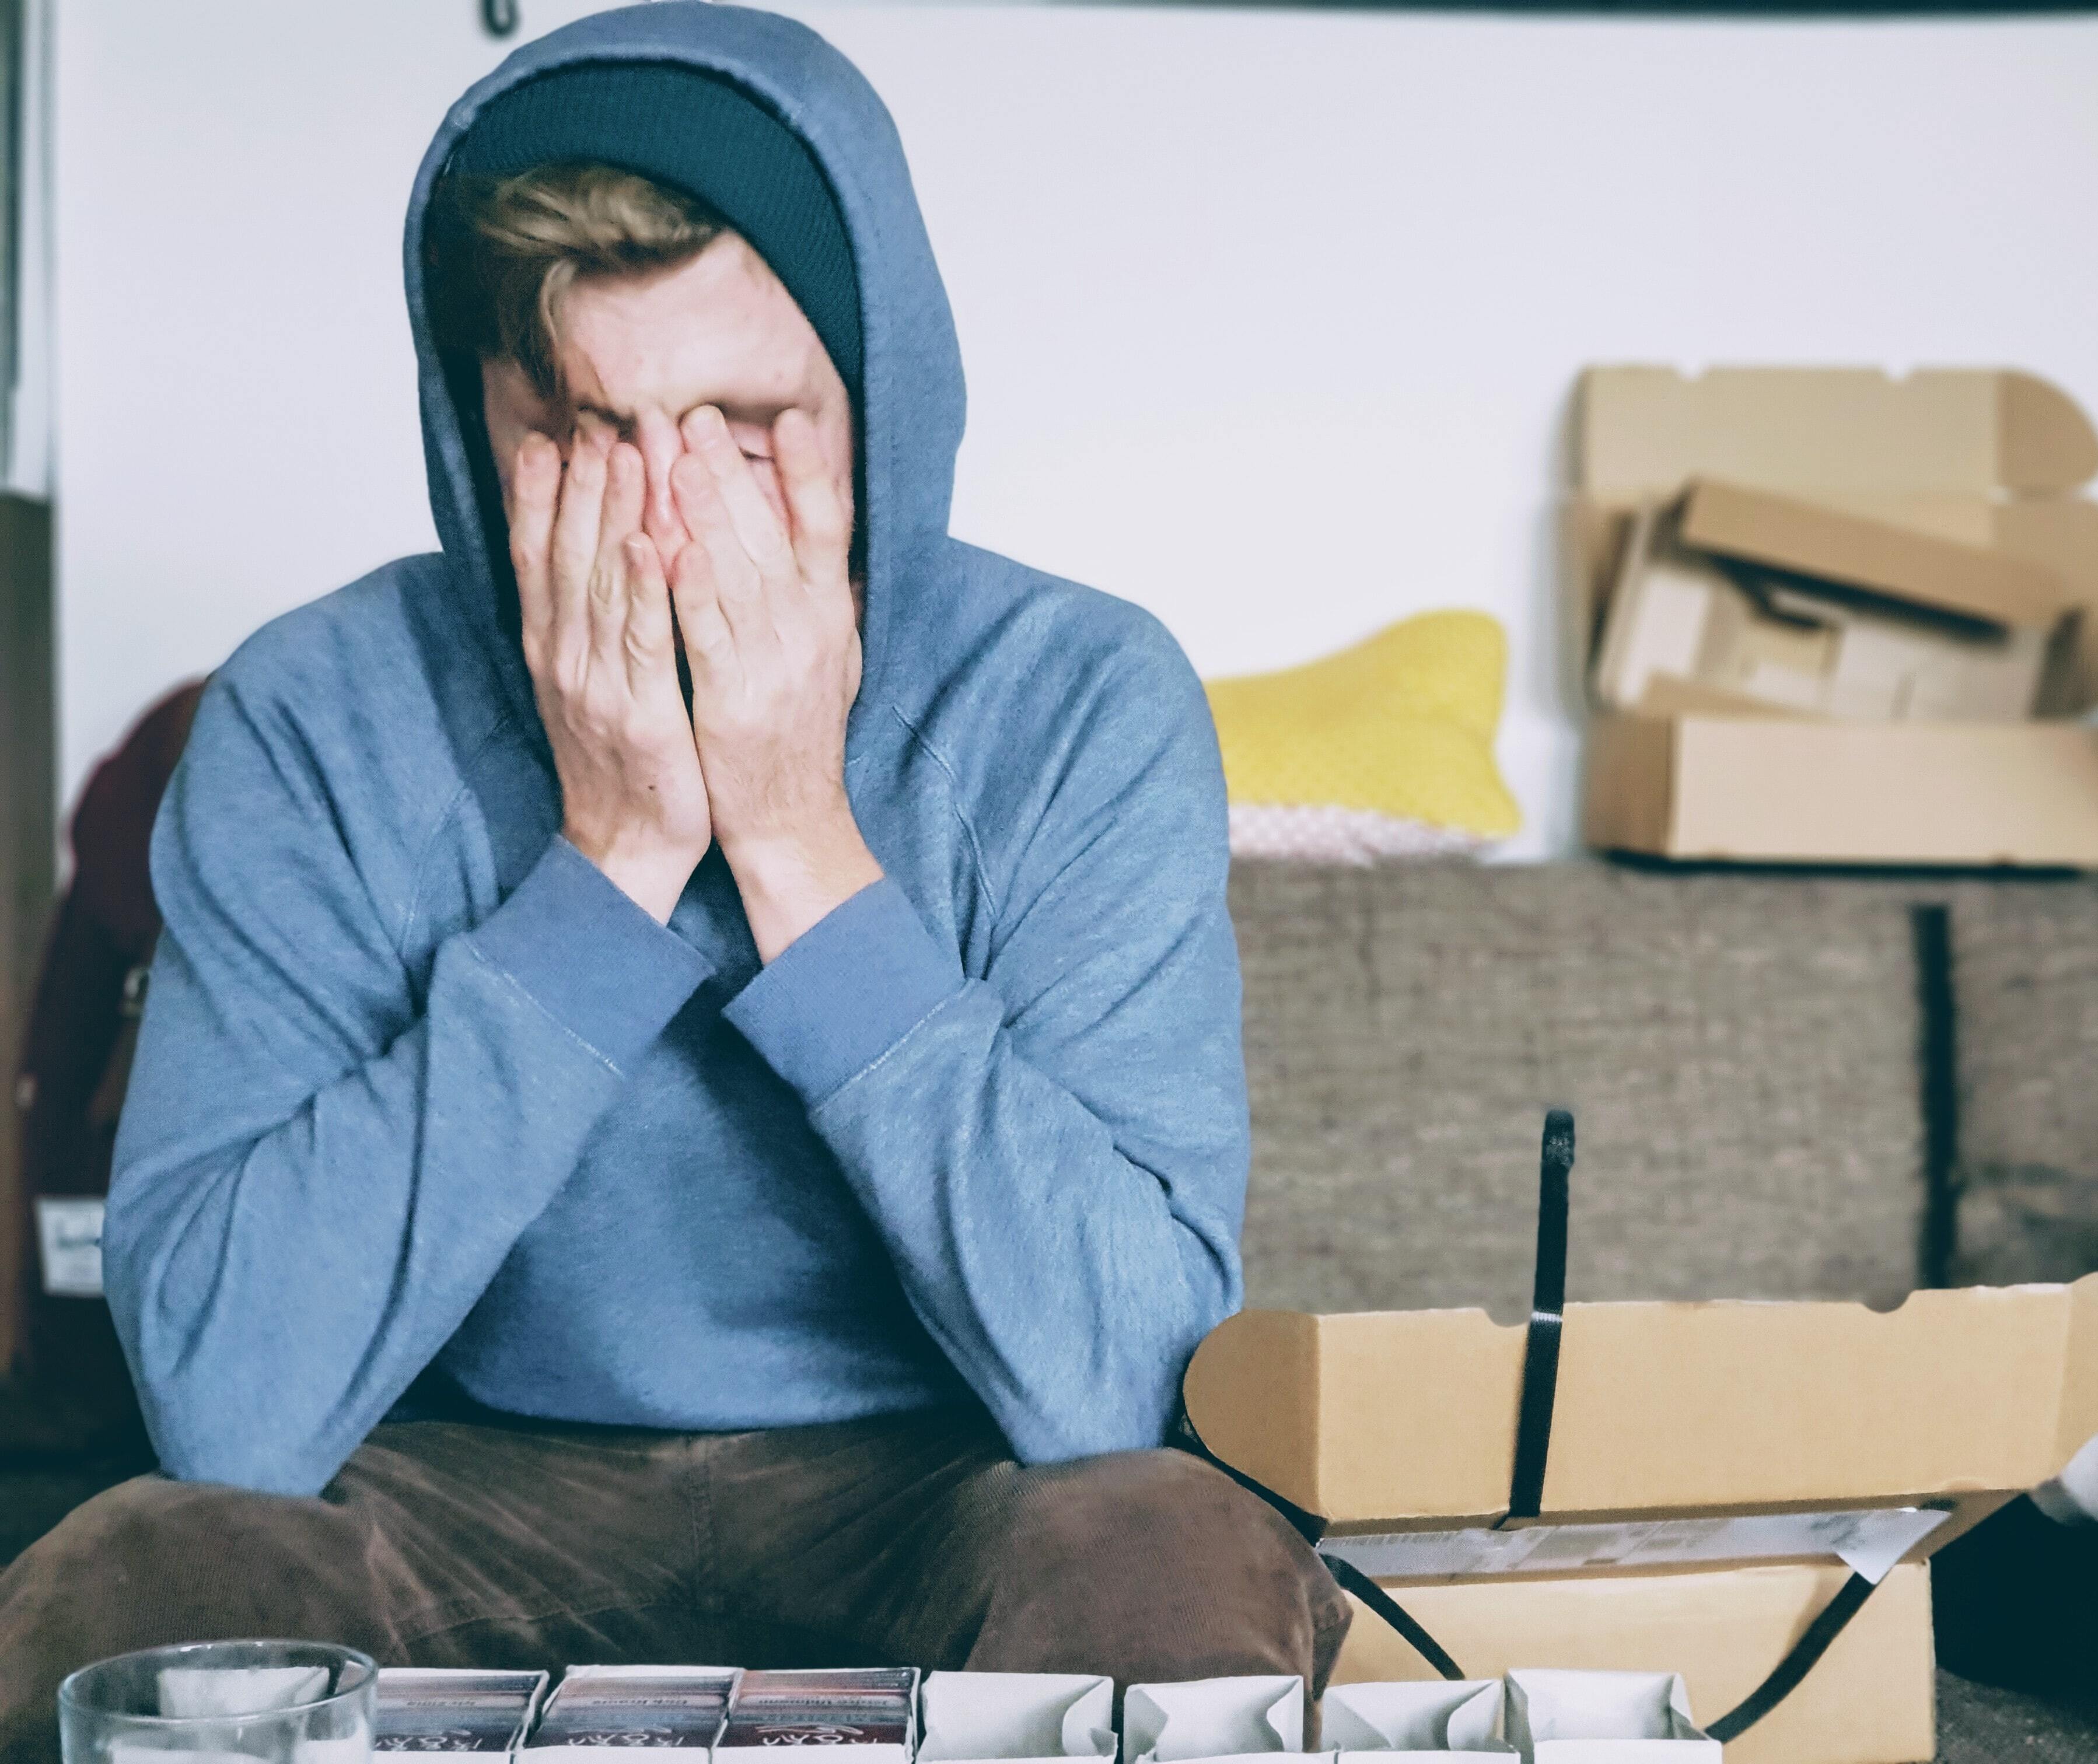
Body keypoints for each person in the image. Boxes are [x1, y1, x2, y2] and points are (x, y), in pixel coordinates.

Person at [0, 5, 1347, 1754]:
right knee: (144, 1581)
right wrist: (614, 859)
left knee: (1162, 1548)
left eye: (747, 425)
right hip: (457, 1478)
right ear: (471, 421)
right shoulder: (313, 714)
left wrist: (798, 845)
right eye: (576, 426)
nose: (659, 525)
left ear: (880, 394)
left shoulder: (1076, 699)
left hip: (947, 1476)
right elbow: (231, 1409)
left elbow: (1123, 1388)